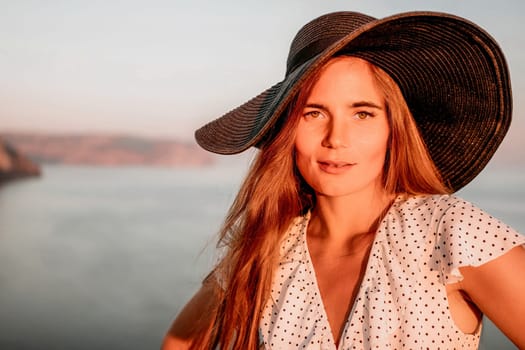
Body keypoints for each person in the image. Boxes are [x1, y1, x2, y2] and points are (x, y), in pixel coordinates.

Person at [162, 11, 525, 349]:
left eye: (363, 113)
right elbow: (179, 342)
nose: (336, 138)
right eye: (314, 113)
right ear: (287, 129)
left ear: (393, 129)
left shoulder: (451, 231)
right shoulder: (268, 248)